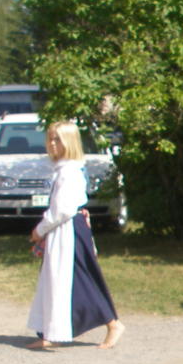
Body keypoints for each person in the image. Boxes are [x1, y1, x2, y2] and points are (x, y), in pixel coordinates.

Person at [26, 121, 125, 350]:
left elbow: (63, 209)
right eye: (50, 138)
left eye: (58, 139)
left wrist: (39, 230)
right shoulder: (63, 169)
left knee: (80, 279)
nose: (52, 143)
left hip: (68, 230)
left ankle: (113, 323)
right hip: (63, 229)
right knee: (55, 279)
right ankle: (52, 332)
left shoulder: (70, 171)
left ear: (69, 142)